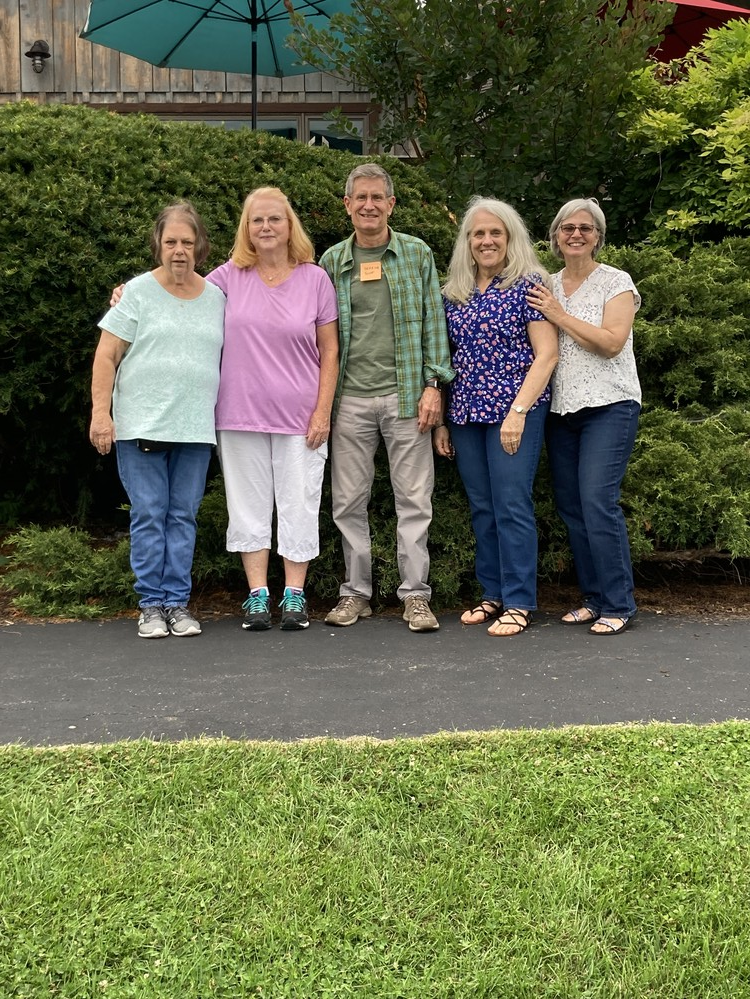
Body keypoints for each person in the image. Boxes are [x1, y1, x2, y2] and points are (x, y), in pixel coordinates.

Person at [319, 163, 454, 632]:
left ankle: (415, 596)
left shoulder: (416, 253)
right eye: (361, 197)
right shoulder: (332, 262)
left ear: (391, 204)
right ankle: (355, 594)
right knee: (348, 503)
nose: (369, 205)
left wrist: (434, 386)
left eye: (378, 197)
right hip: (349, 401)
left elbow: (434, 322)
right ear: (347, 205)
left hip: (407, 398)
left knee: (414, 501)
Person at [90, 201, 225, 639]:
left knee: (182, 516)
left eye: (187, 242)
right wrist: (100, 415)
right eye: (171, 242)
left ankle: (177, 604)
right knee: (150, 514)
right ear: (158, 245)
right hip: (141, 426)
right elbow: (106, 355)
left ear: (200, 246)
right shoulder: (136, 293)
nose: (179, 250)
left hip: (195, 429)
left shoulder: (217, 297)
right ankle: (150, 605)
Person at [210, 187, 339, 631]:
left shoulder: (315, 279)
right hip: (239, 414)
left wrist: (323, 411)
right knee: (247, 506)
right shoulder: (227, 277)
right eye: (257, 220)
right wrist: (129, 292)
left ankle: (295, 596)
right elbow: (178, 292)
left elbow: (330, 351)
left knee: (299, 503)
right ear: (246, 229)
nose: (266, 227)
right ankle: (257, 596)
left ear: (289, 226)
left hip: (301, 417)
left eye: (274, 219)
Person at [435, 197, 558, 637]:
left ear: (510, 238)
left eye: (495, 233)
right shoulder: (454, 292)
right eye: (478, 234)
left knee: (511, 503)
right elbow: (446, 359)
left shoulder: (529, 284)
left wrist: (518, 412)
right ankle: (493, 594)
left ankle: (520, 601)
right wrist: (443, 420)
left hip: (515, 410)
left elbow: (547, 354)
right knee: (483, 507)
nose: (486, 241)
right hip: (466, 413)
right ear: (467, 241)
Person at [526, 197, 641, 636]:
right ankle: (594, 599)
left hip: (610, 406)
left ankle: (619, 604)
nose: (576, 234)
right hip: (561, 409)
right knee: (572, 508)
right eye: (567, 228)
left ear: (598, 237)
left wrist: (559, 315)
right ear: (556, 236)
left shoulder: (616, 281)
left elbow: (611, 343)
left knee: (597, 502)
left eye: (585, 228)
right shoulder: (546, 284)